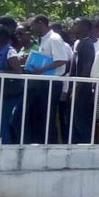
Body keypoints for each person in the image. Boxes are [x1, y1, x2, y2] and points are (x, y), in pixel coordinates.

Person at [27, 15, 71, 144]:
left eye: (33, 25)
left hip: (52, 83)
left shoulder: (54, 38)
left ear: (40, 23)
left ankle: (49, 143)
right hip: (42, 82)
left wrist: (42, 69)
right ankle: (39, 142)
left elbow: (62, 60)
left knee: (47, 115)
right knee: (39, 114)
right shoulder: (43, 40)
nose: (31, 28)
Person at [0, 25, 22, 145]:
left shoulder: (10, 51)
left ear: (0, 37)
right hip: (0, 91)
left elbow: (18, 72)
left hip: (10, 93)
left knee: (1, 122)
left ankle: (5, 148)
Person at [69, 18, 97, 144]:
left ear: (85, 27)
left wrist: (76, 89)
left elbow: (86, 69)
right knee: (74, 119)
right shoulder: (78, 43)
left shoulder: (87, 44)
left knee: (81, 120)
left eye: (76, 24)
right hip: (75, 86)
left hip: (82, 88)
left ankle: (84, 144)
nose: (73, 26)